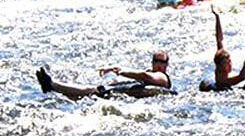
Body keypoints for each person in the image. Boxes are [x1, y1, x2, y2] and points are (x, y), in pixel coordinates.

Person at [36, 51, 172, 99]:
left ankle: (52, 85)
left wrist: (119, 70)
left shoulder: (162, 77)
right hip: (121, 93)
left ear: (166, 64)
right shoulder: (150, 71)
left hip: (129, 95)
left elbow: (145, 77)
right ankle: (52, 85)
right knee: (89, 90)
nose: (158, 64)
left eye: (162, 62)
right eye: (156, 61)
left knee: (90, 90)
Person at [212, 8, 245, 88]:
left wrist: (217, 17)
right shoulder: (223, 80)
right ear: (221, 66)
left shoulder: (220, 66)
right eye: (227, 63)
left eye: (230, 61)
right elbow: (243, 76)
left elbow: (219, 39)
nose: (230, 64)